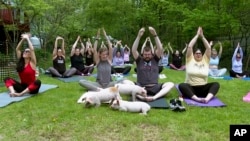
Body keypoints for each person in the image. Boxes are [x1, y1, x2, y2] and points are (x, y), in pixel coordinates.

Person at [124, 27, 174, 102]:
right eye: (145, 54)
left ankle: (154, 97)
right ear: (142, 54)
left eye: (148, 54)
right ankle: (140, 96)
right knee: (125, 81)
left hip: (155, 87)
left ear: (151, 54)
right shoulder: (139, 60)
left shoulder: (155, 59)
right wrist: (138, 36)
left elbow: (160, 48)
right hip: (140, 87)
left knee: (170, 84)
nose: (147, 56)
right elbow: (133, 50)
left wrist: (155, 35)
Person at [178, 27, 220, 103]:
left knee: (216, 84)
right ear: (193, 54)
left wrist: (202, 37)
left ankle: (207, 99)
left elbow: (208, 48)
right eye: (196, 53)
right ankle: (197, 99)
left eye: (199, 53)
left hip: (203, 88)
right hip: (191, 88)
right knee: (182, 85)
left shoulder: (205, 60)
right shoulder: (190, 59)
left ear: (202, 54)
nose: (198, 54)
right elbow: (190, 46)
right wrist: (197, 35)